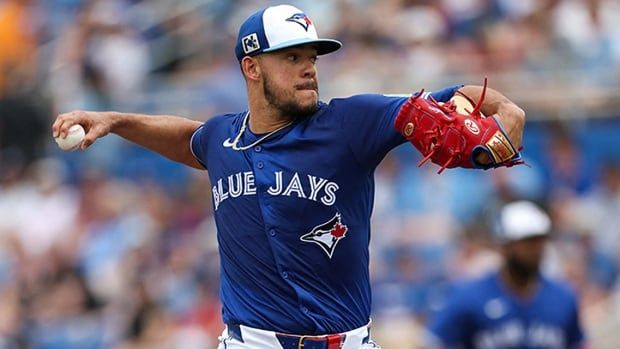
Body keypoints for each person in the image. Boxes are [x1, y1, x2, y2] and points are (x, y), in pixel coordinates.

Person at [52, 4, 526, 349]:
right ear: (251, 67)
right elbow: (189, 140)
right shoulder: (224, 138)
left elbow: (434, 105)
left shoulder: (349, 123)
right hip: (249, 342)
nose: (307, 70)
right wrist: (115, 120)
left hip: (345, 340)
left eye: (312, 58)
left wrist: (502, 108)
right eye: (292, 57)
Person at [425, 200, 587, 349]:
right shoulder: (470, 296)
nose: (536, 250)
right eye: (527, 243)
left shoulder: (563, 297)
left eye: (540, 242)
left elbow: (578, 343)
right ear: (505, 246)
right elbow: (436, 342)